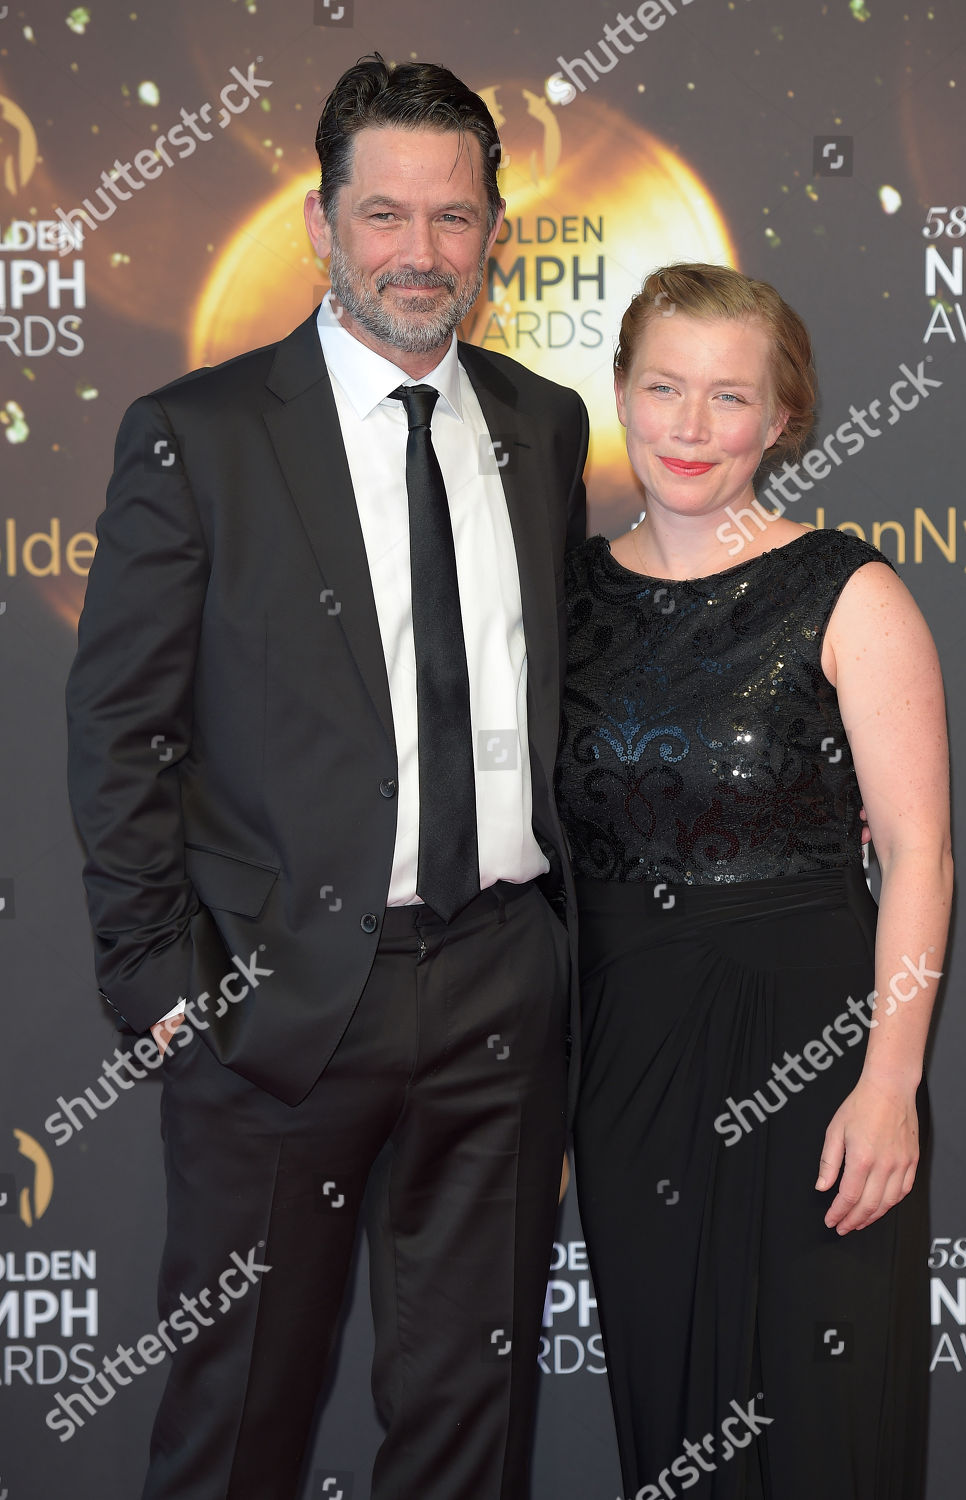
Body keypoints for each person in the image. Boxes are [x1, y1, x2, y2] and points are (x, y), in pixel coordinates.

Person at [65, 54, 587, 1500]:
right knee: (238, 1421)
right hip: (271, 999)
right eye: (383, 214)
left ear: (493, 233)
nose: (420, 250)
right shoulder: (201, 434)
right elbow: (120, 726)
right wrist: (157, 984)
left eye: (453, 216)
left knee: (468, 1425)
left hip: (499, 987)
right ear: (320, 223)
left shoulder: (541, 424)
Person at [556, 264, 951, 1499]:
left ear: (779, 417)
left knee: (822, 1421)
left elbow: (919, 856)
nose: (689, 425)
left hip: (816, 1058)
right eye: (662, 387)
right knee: (673, 1425)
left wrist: (888, 1084)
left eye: (728, 397)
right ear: (619, 392)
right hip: (626, 1066)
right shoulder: (558, 598)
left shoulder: (846, 590)